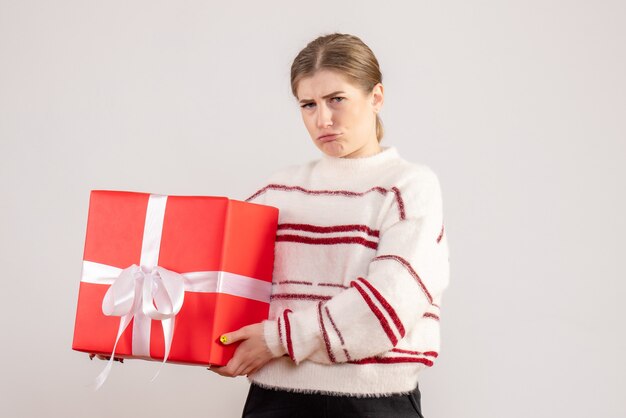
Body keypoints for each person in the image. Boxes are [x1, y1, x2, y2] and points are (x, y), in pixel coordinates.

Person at [207, 33, 451, 418]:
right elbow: (209, 279)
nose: (323, 119)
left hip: (371, 405)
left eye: (337, 99)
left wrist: (277, 340)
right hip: (274, 401)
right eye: (308, 104)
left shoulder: (408, 186)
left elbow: (385, 309)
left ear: (376, 97)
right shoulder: (277, 191)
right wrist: (135, 330)